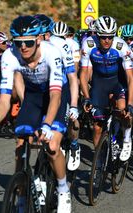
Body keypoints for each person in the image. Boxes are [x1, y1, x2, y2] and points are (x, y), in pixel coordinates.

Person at [0, 15, 71, 212]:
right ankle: (21, 193)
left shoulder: (51, 53)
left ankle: (63, 189)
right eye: (18, 43)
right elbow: (4, 99)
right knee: (21, 143)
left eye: (28, 42)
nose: (23, 48)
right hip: (34, 97)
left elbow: (55, 97)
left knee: (52, 145)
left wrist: (46, 125)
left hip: (56, 95)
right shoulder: (9, 56)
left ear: (38, 40)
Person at [80, 15, 133, 161]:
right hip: (99, 84)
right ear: (97, 35)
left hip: (117, 82)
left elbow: (130, 77)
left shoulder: (121, 46)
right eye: (103, 37)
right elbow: (84, 73)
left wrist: (130, 103)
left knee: (123, 110)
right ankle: (98, 159)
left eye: (110, 37)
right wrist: (86, 97)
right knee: (97, 126)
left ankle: (126, 139)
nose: (107, 41)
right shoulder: (88, 44)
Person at [50, 21, 80, 171]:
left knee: (71, 118)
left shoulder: (70, 45)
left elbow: (74, 71)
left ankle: (74, 145)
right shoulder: (44, 43)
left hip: (65, 84)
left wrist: (74, 104)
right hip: (49, 87)